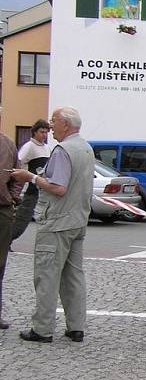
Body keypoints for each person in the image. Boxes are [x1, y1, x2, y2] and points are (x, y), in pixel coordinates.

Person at [12, 107, 94, 343]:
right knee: (74, 276)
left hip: (58, 221)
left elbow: (59, 188)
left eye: (54, 121)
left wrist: (32, 178)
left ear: (66, 125)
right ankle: (76, 326)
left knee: (47, 275)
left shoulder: (63, 150)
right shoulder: (86, 148)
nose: (51, 126)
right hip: (78, 220)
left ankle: (43, 328)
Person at [12, 119, 51, 241]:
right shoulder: (29, 147)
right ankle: (6, 241)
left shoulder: (47, 148)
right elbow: (18, 163)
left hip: (43, 189)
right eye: (41, 132)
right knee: (22, 219)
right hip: (30, 190)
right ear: (34, 132)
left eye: (46, 132)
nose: (44, 135)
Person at [0, 133, 23, 329]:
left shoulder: (7, 144)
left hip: (2, 209)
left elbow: (17, 174)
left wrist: (13, 196)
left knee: (0, 265)